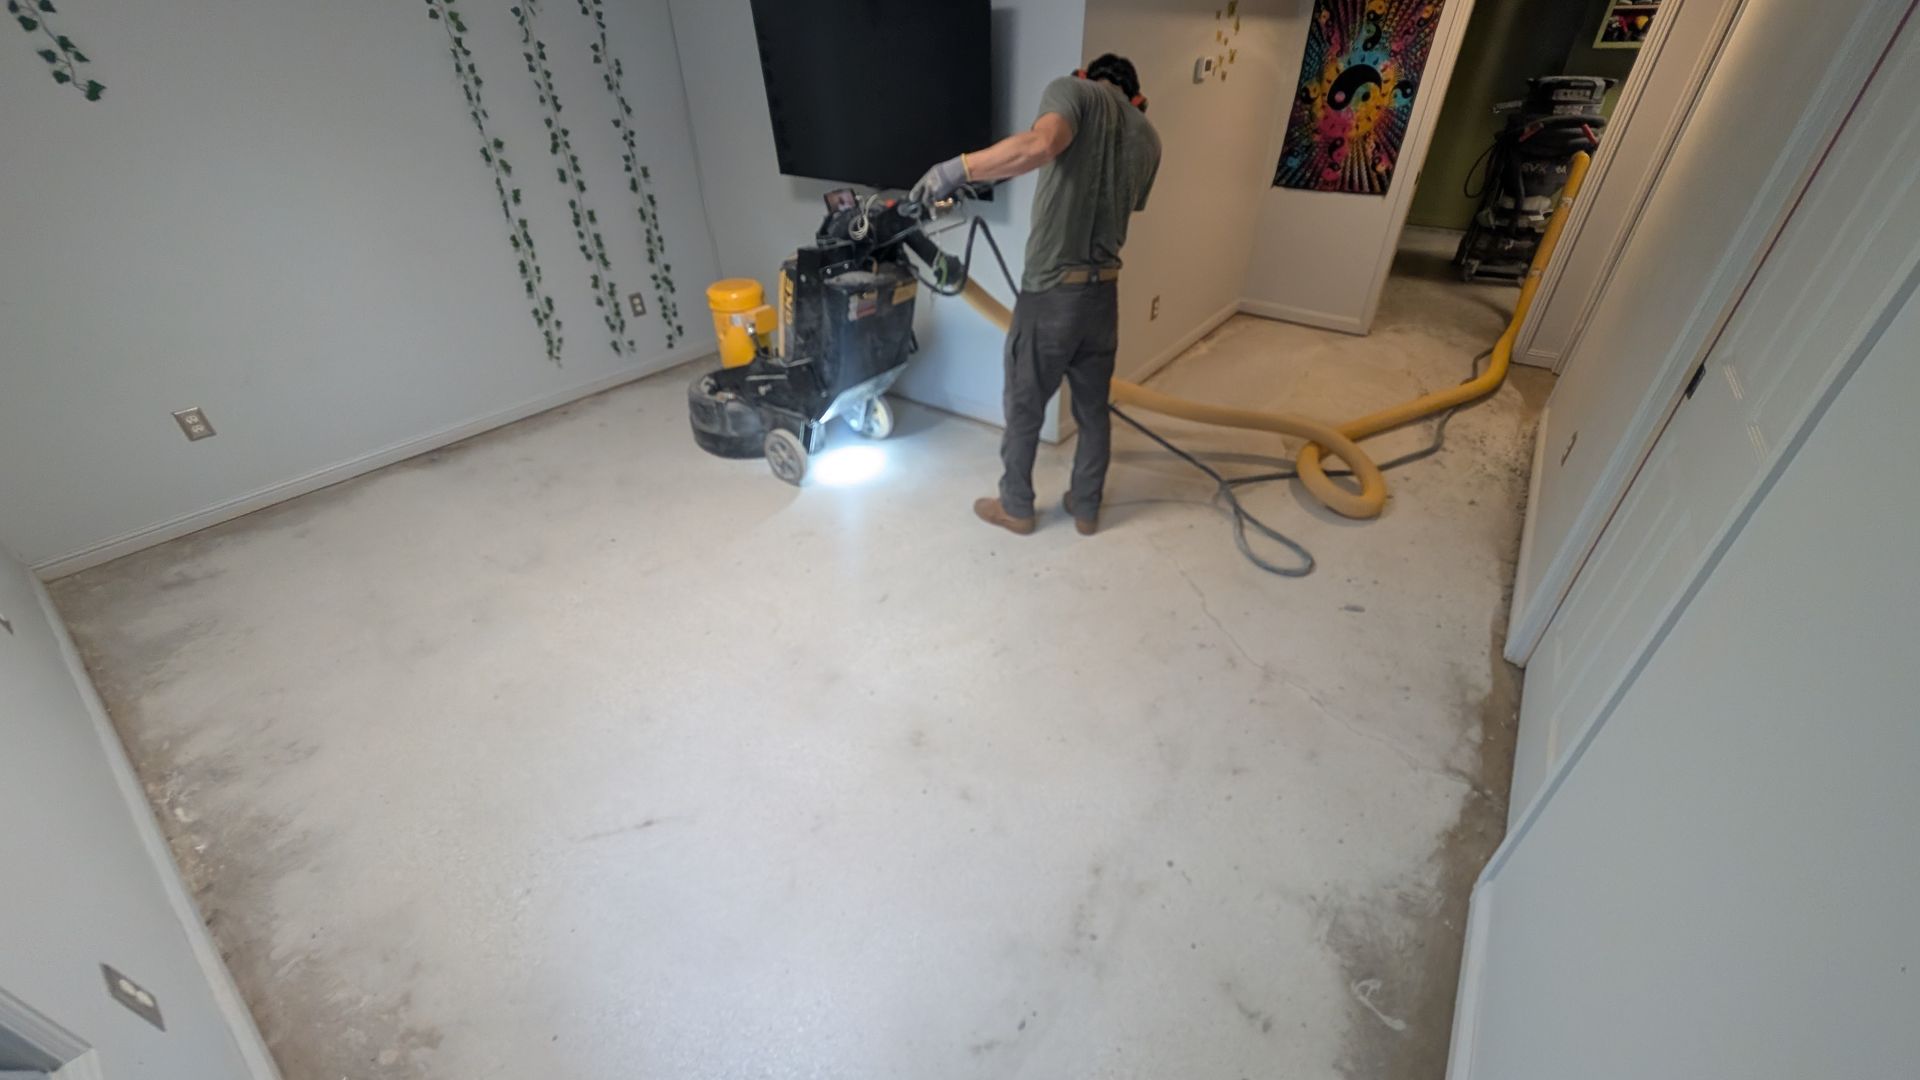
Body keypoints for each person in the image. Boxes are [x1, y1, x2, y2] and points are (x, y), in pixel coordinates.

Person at [910, 54, 1161, 537]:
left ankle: (1017, 507)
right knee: (1093, 412)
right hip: (1103, 297)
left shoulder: (1075, 92)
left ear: (1086, 76)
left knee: (1024, 409)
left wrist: (955, 169)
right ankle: (1086, 507)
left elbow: (1042, 144)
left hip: (1051, 295)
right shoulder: (1149, 136)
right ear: (1137, 98)